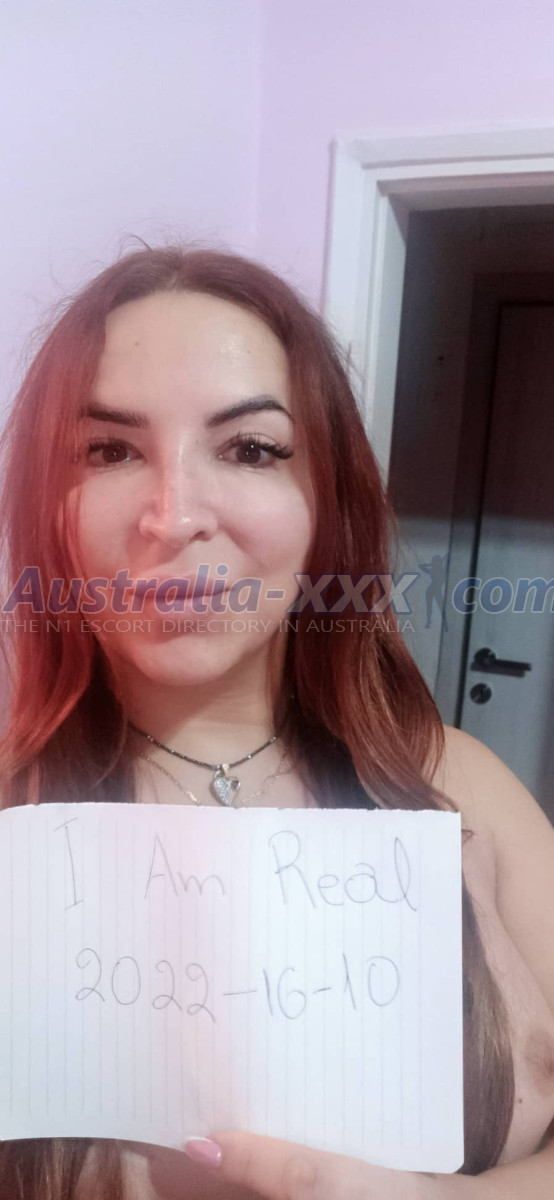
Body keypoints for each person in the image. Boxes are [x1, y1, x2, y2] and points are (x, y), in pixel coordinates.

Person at [0, 245, 553, 1200]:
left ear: (327, 502)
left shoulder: (463, 786)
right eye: (110, 450)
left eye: (251, 449)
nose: (174, 516)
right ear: (46, 504)